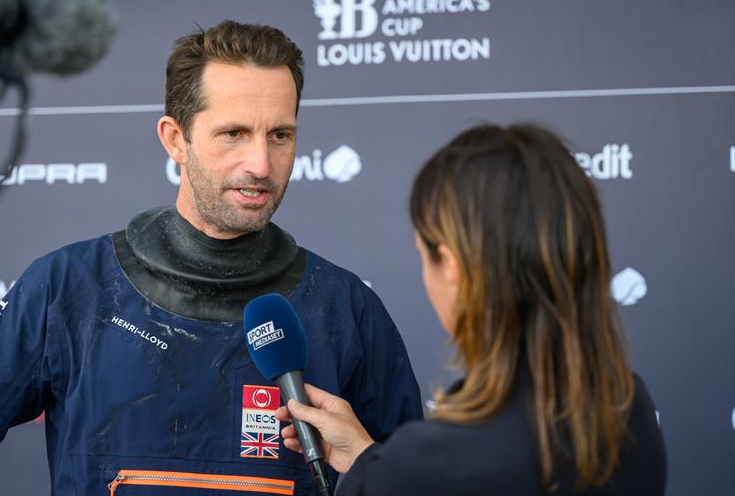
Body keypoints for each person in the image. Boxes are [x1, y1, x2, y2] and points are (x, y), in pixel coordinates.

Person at [0, 21, 422, 495]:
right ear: (175, 139)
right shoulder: (66, 287)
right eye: (233, 133)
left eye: (280, 135)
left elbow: (411, 476)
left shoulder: (348, 308)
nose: (260, 164)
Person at [278, 124, 667, 495]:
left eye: (424, 256)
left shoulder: (429, 467)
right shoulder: (629, 409)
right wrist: (371, 463)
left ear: (450, 264)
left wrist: (378, 476)